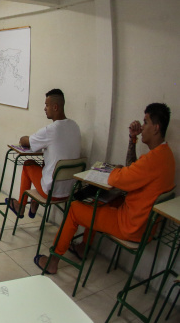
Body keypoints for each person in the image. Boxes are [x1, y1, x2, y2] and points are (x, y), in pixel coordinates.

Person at [37, 103, 175, 274]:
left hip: (131, 226)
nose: (142, 126)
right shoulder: (166, 155)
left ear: (156, 128)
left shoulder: (153, 160)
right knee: (103, 199)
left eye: (145, 122)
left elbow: (117, 179)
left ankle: (53, 261)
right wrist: (132, 139)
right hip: (146, 225)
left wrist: (116, 170)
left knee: (74, 209)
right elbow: (132, 168)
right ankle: (83, 248)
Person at [7, 88, 81, 218]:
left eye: (47, 105)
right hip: (70, 191)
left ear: (55, 107)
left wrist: (25, 138)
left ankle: (21, 206)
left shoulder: (51, 130)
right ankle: (34, 204)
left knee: (28, 164)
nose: (44, 108)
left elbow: (25, 141)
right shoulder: (75, 126)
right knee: (45, 165)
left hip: (52, 193)